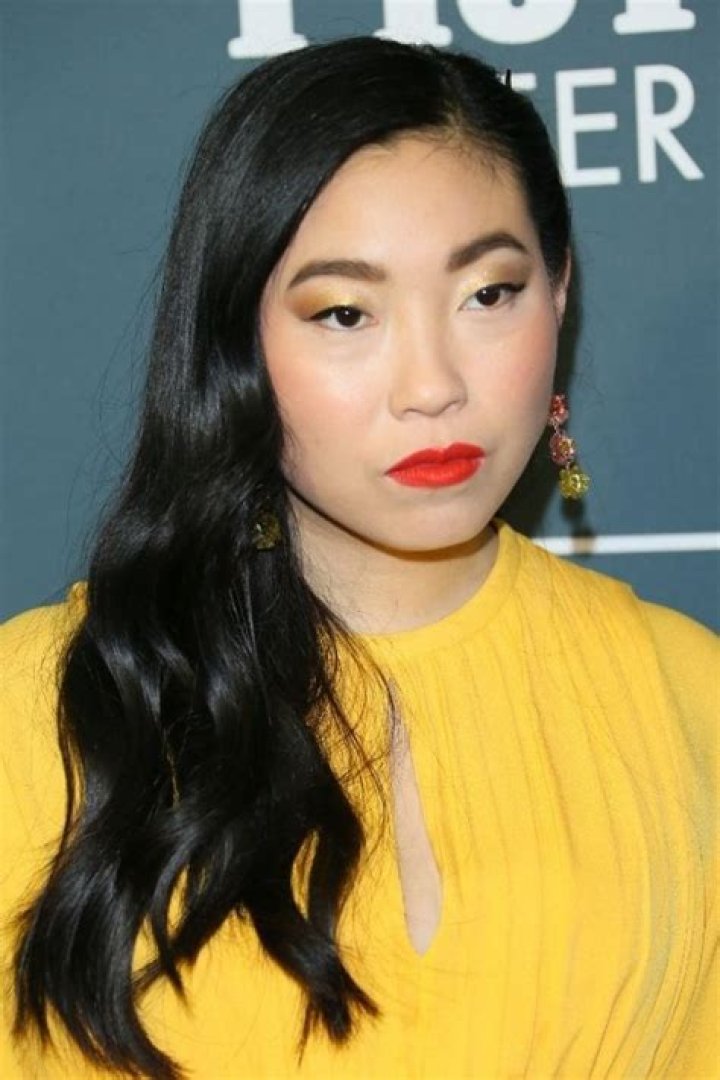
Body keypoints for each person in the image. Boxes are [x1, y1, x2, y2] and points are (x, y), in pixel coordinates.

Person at [0, 35, 716, 1080]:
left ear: (560, 293)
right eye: (345, 313)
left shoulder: (691, 699)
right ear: (236, 345)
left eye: (488, 294)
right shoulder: (38, 710)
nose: (432, 385)